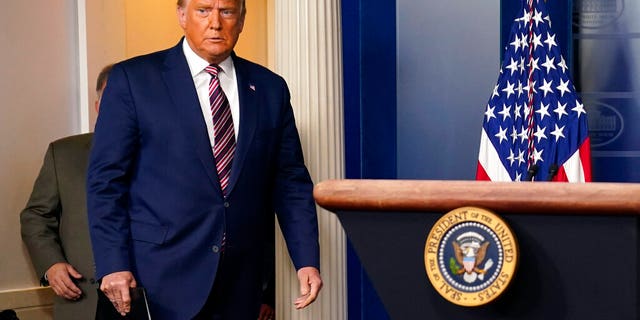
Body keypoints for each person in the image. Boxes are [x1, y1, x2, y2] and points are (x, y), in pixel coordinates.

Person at [86, 0, 322, 319]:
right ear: (182, 15)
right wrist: (113, 264)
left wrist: (306, 258)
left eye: (226, 11)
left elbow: (290, 182)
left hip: (240, 284)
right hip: (157, 280)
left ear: (241, 19)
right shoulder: (134, 80)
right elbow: (105, 183)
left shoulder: (270, 89)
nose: (215, 23)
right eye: (203, 10)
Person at [20, 64, 113, 319]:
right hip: (81, 301)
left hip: (148, 301)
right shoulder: (63, 154)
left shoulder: (163, 157)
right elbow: (35, 217)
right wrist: (51, 264)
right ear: (97, 107)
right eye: (111, 99)